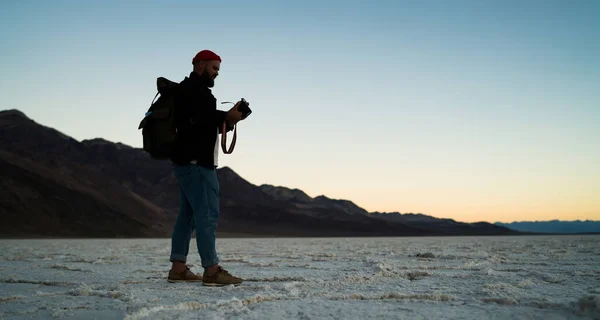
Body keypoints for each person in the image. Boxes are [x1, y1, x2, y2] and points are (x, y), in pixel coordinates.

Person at [166, 49, 245, 286]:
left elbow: (199, 124)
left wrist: (228, 119)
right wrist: (227, 117)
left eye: (218, 69)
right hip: (198, 164)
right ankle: (211, 270)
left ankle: (178, 268)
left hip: (185, 163)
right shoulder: (197, 93)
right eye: (214, 68)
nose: (216, 74)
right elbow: (201, 123)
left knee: (187, 216)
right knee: (207, 215)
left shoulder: (186, 92)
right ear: (200, 65)